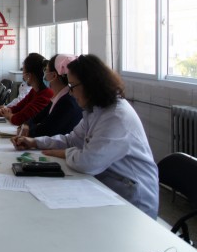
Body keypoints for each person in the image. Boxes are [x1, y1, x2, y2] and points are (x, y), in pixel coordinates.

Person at [10, 54, 159, 219]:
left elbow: (88, 162)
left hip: (133, 202)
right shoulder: (95, 110)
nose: (70, 92)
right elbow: (72, 139)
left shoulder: (116, 116)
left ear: (90, 84)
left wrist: (63, 153)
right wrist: (34, 142)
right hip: (106, 187)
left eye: (72, 86)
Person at [0, 53, 53, 126]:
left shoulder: (45, 95)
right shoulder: (34, 91)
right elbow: (16, 109)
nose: (22, 74)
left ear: (29, 75)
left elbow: (19, 119)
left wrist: (8, 115)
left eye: (23, 70)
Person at [25, 54, 83, 137]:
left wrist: (28, 129)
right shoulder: (59, 97)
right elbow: (36, 118)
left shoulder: (67, 102)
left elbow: (44, 131)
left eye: (46, 70)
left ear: (53, 75)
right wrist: (27, 125)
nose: (44, 74)